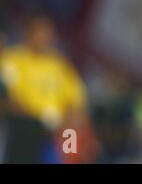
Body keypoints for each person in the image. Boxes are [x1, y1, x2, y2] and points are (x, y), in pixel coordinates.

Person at [0, 15, 93, 163]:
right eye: (40, 32)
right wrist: (33, 118)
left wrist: (65, 126)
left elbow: (78, 105)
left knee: (72, 143)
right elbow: (6, 97)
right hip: (19, 129)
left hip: (53, 136)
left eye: (48, 33)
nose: (44, 38)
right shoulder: (12, 59)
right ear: (28, 33)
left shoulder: (61, 68)